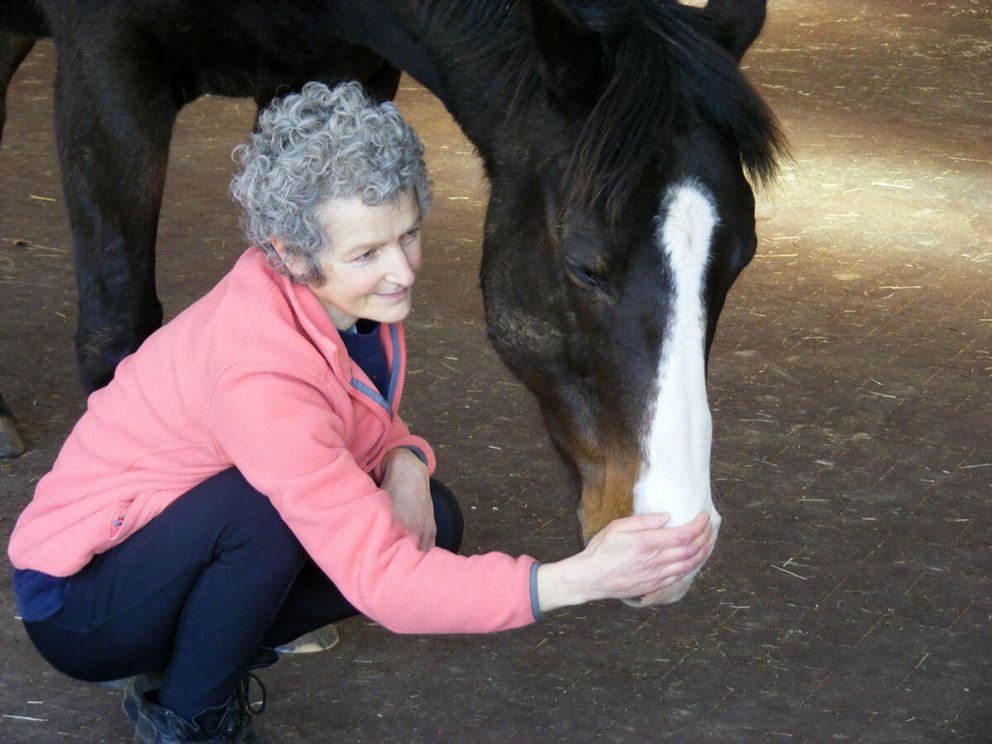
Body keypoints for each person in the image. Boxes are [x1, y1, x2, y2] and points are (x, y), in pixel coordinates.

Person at [7, 81, 715, 743]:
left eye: (408, 233)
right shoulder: (258, 371)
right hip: (80, 600)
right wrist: (578, 578)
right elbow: (386, 586)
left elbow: (351, 417)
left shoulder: (340, 299)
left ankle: (199, 647)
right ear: (291, 252)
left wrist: (406, 459)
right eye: (369, 251)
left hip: (163, 537)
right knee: (264, 517)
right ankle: (187, 715)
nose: (403, 270)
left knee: (433, 516)